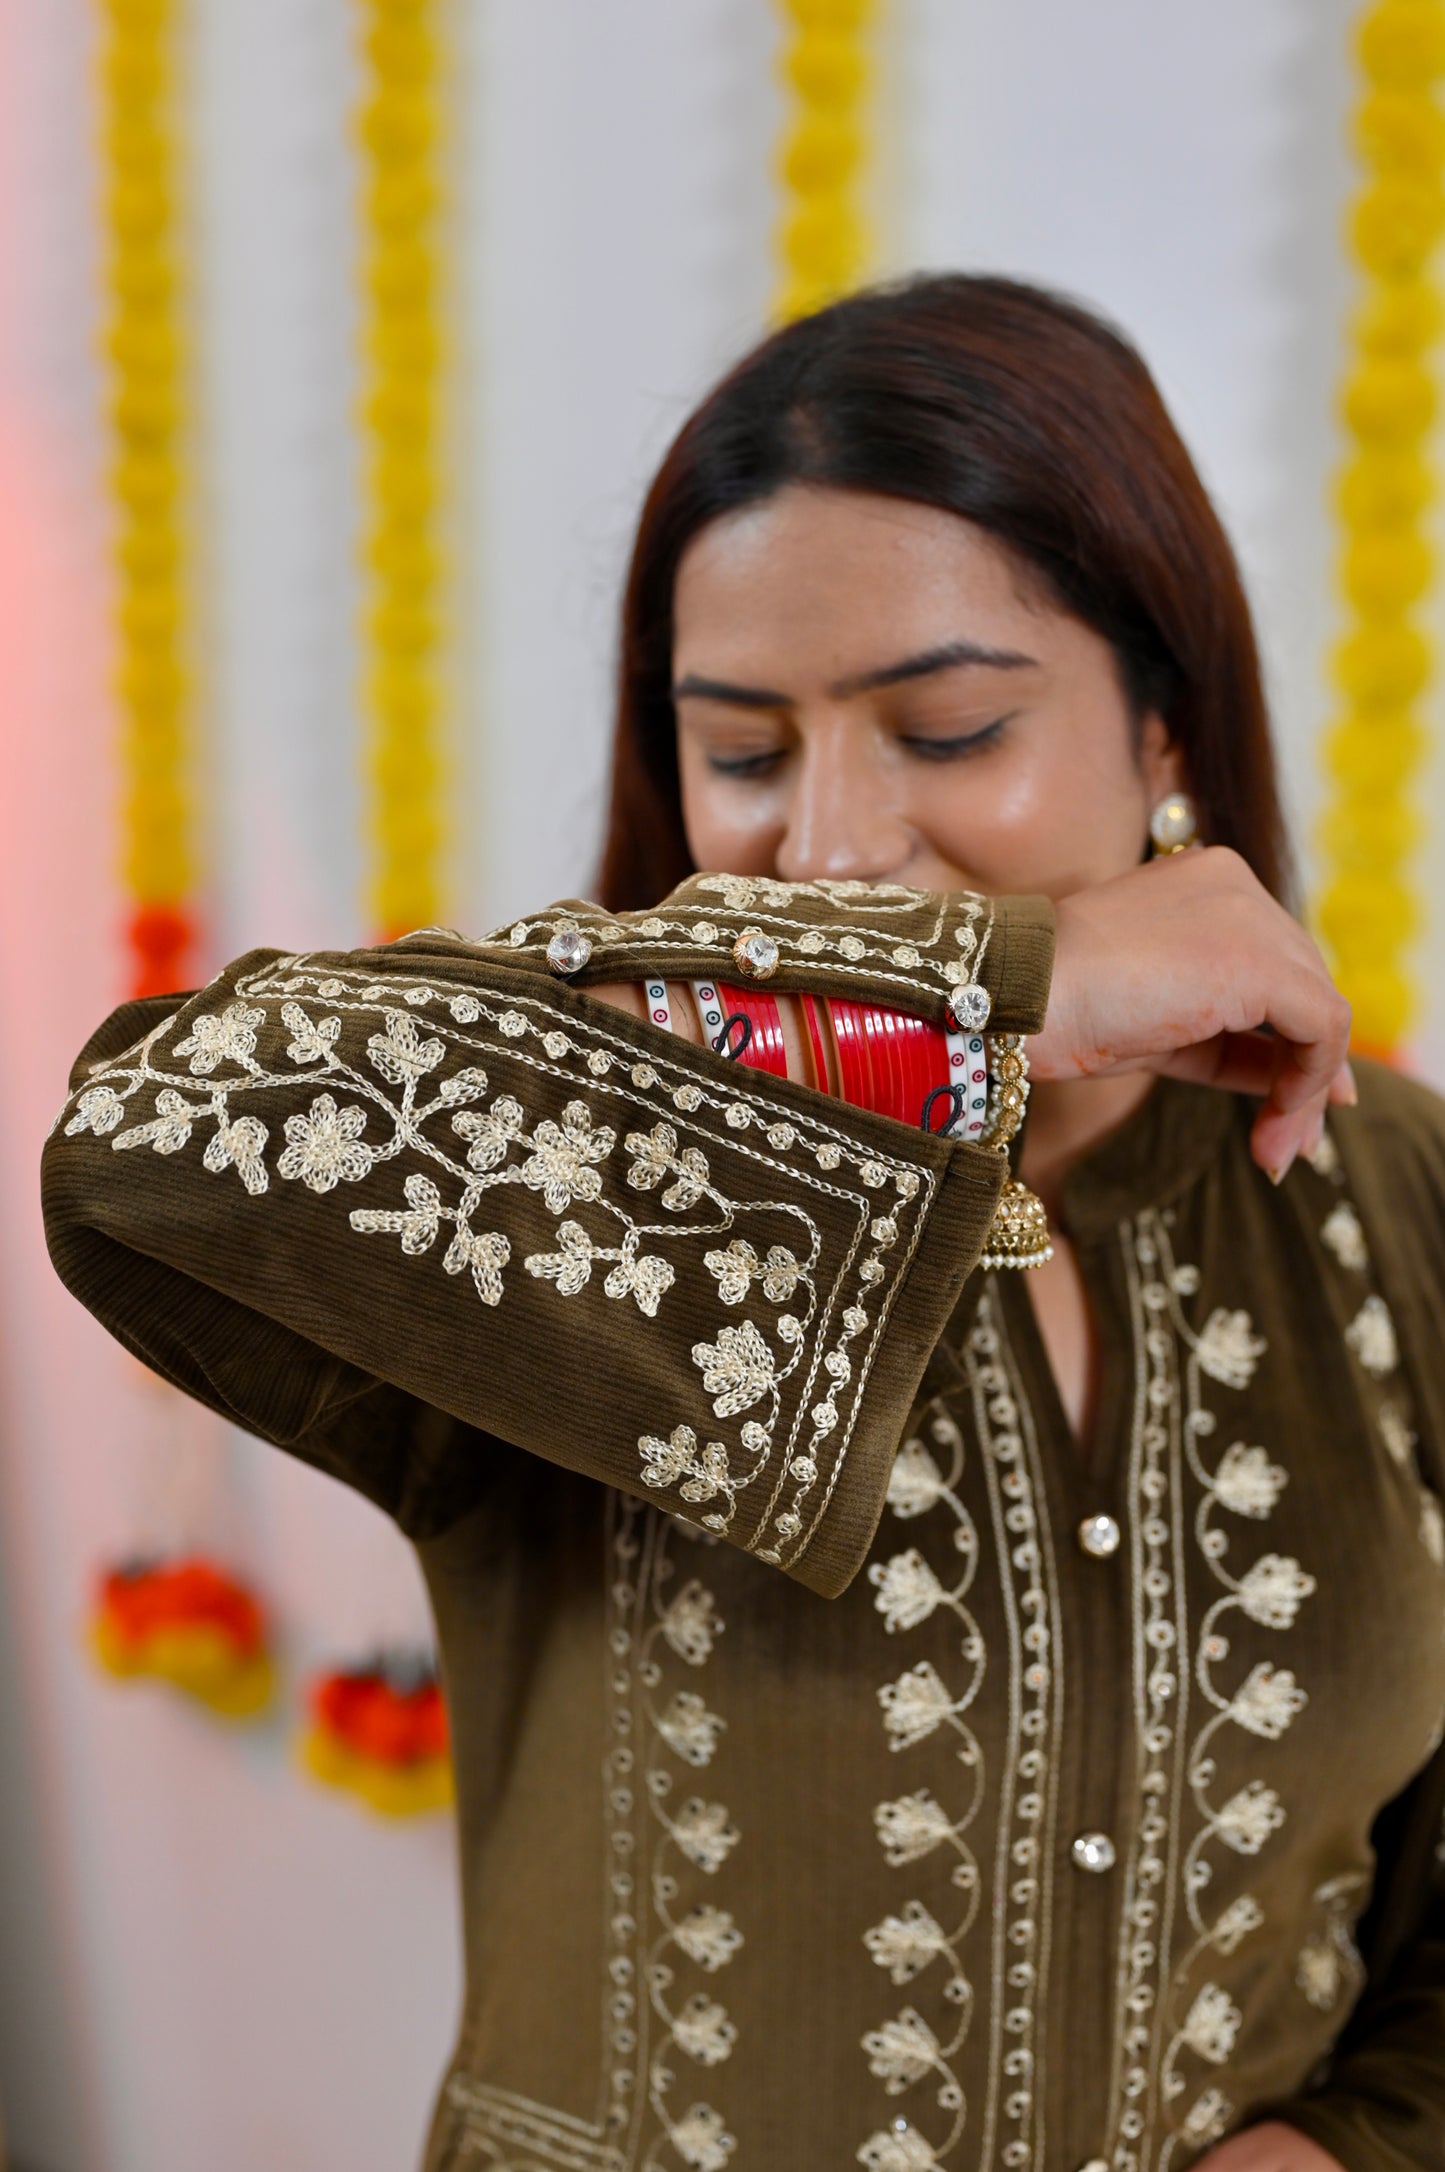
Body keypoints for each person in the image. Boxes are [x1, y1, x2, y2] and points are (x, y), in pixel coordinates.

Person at [41, 275, 1445, 2172]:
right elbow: (143, 1128)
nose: (835, 845)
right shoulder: (574, 1181)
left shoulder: (1399, 1207)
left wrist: (1346, 2147)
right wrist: (982, 986)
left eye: (947, 730)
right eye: (748, 752)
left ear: (1164, 723)